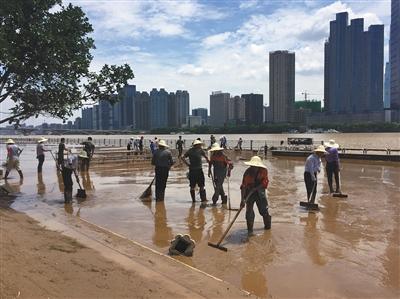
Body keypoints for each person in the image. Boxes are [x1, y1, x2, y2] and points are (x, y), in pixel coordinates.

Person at [240, 156, 271, 235]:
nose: (254, 168)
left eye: (255, 167)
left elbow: (265, 182)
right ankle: (250, 230)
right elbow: (243, 187)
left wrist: (256, 188)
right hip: (249, 193)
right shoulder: (247, 173)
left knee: (264, 210)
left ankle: (268, 229)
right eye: (252, 166)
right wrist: (242, 200)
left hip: (260, 192)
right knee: (249, 212)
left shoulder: (263, 171)